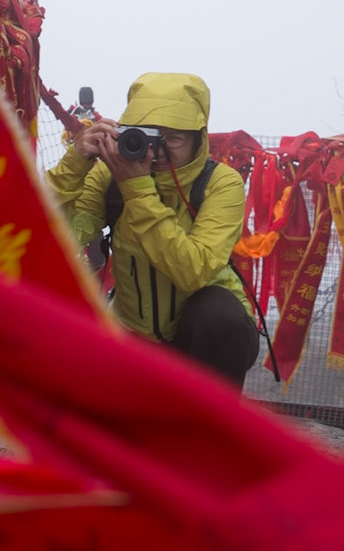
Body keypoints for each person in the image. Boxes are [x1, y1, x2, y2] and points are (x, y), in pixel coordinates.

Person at [46, 73, 260, 391]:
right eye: (146, 135)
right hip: (134, 338)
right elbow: (47, 236)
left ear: (198, 139)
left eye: (173, 138)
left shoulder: (220, 182)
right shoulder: (108, 176)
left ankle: (212, 431)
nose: (156, 149)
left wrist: (137, 189)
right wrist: (74, 163)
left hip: (205, 341)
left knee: (219, 316)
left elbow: (193, 270)